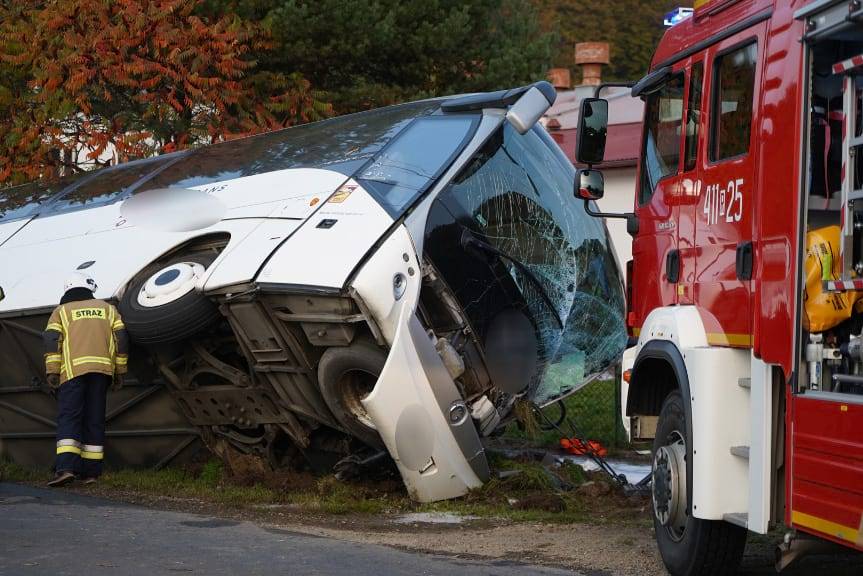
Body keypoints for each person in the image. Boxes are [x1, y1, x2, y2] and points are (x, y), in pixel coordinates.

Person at [43, 273, 129, 487]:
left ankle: (66, 469)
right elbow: (122, 340)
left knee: (69, 418)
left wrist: (53, 371)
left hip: (72, 373)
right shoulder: (108, 309)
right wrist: (120, 371)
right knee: (94, 419)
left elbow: (52, 340)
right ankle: (91, 473)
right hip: (102, 372)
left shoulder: (61, 312)